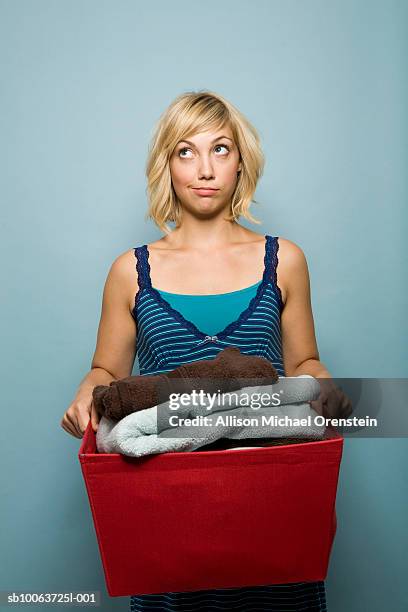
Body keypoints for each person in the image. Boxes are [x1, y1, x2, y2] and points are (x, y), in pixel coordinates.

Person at [61, 90, 352, 611]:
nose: (205, 168)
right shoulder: (130, 271)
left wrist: (324, 386)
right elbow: (105, 368)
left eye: (220, 149)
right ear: (167, 164)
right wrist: (87, 393)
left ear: (241, 162)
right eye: (185, 151)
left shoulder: (283, 260)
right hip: (169, 513)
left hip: (271, 500)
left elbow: (305, 361)